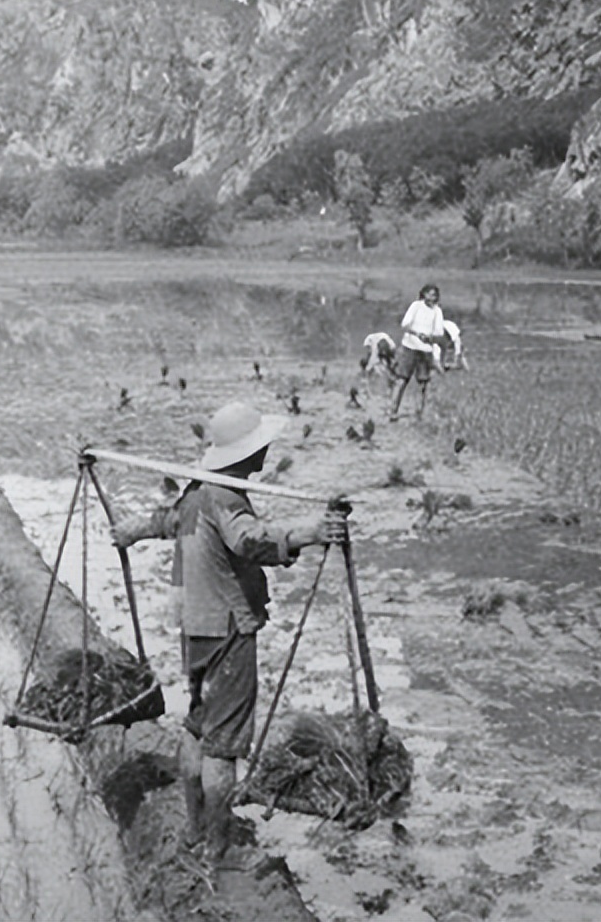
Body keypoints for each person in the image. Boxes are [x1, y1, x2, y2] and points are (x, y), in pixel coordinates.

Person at [110, 401, 346, 872]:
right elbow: (249, 540)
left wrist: (129, 531)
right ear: (247, 451)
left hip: (195, 631)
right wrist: (310, 532)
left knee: (198, 728)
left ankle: (195, 829)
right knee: (223, 745)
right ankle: (218, 846)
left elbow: (164, 522)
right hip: (229, 633)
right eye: (262, 445)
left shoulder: (196, 494)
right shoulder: (225, 499)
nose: (267, 450)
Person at [389, 283, 445, 420]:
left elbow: (439, 332)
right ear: (424, 294)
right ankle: (393, 411)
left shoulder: (437, 311)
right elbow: (405, 324)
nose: (432, 298)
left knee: (423, 383)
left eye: (434, 295)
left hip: (425, 350)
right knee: (401, 380)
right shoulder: (416, 306)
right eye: (429, 294)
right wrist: (417, 334)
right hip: (410, 346)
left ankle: (420, 413)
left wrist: (430, 338)